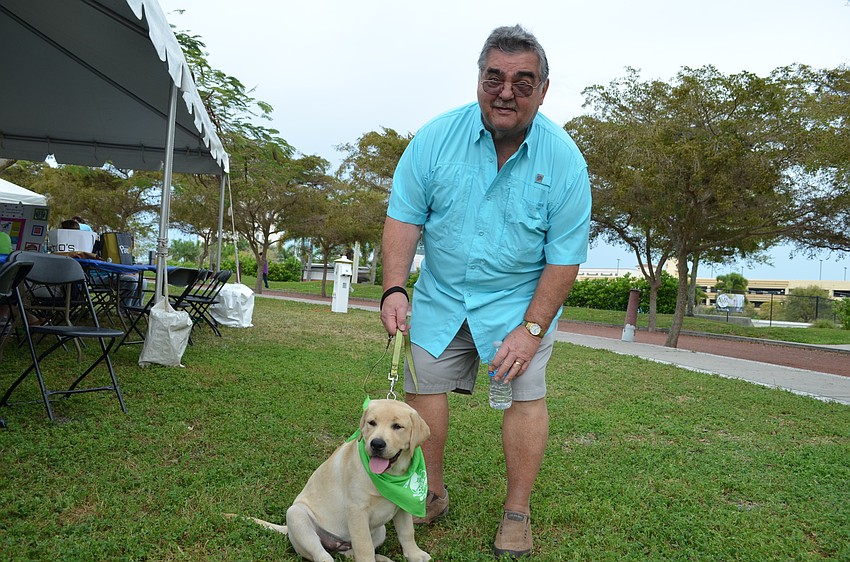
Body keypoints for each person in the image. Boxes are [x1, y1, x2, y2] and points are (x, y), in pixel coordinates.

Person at [380, 25, 591, 558]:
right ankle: (428, 491)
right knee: (423, 390)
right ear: (479, 79)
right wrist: (394, 289)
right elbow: (404, 217)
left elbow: (564, 259)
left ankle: (516, 511)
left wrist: (532, 327)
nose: (505, 92)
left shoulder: (565, 161)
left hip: (521, 303)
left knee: (525, 397)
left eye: (523, 82)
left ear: (544, 89)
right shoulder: (433, 139)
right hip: (444, 295)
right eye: (494, 78)